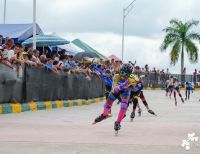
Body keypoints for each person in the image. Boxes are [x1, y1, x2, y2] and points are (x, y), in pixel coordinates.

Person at [93, 63, 139, 134]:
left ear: (129, 74)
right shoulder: (117, 76)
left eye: (126, 74)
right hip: (116, 91)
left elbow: (135, 84)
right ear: (120, 71)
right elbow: (115, 89)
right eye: (122, 73)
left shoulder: (132, 78)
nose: (123, 75)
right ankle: (104, 115)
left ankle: (118, 122)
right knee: (109, 100)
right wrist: (123, 85)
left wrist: (126, 85)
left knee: (124, 106)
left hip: (125, 93)